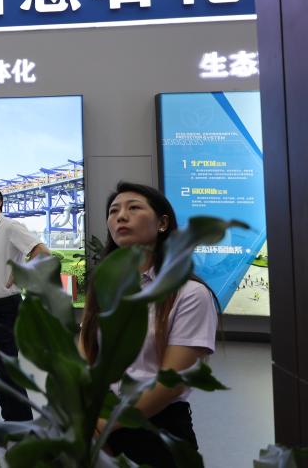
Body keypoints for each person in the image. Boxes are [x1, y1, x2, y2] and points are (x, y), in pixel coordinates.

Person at [81, 182, 217, 466]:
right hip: (100, 421)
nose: (121, 216)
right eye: (114, 211)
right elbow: (85, 353)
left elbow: (172, 382)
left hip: (157, 428)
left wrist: (106, 425)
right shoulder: (105, 287)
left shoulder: (190, 293)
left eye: (134, 208)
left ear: (163, 223)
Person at [0, 184, 49, 422]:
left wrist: (22, 271)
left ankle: (22, 423)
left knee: (7, 369)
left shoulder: (9, 226)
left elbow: (42, 252)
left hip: (4, 309)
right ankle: (11, 419)